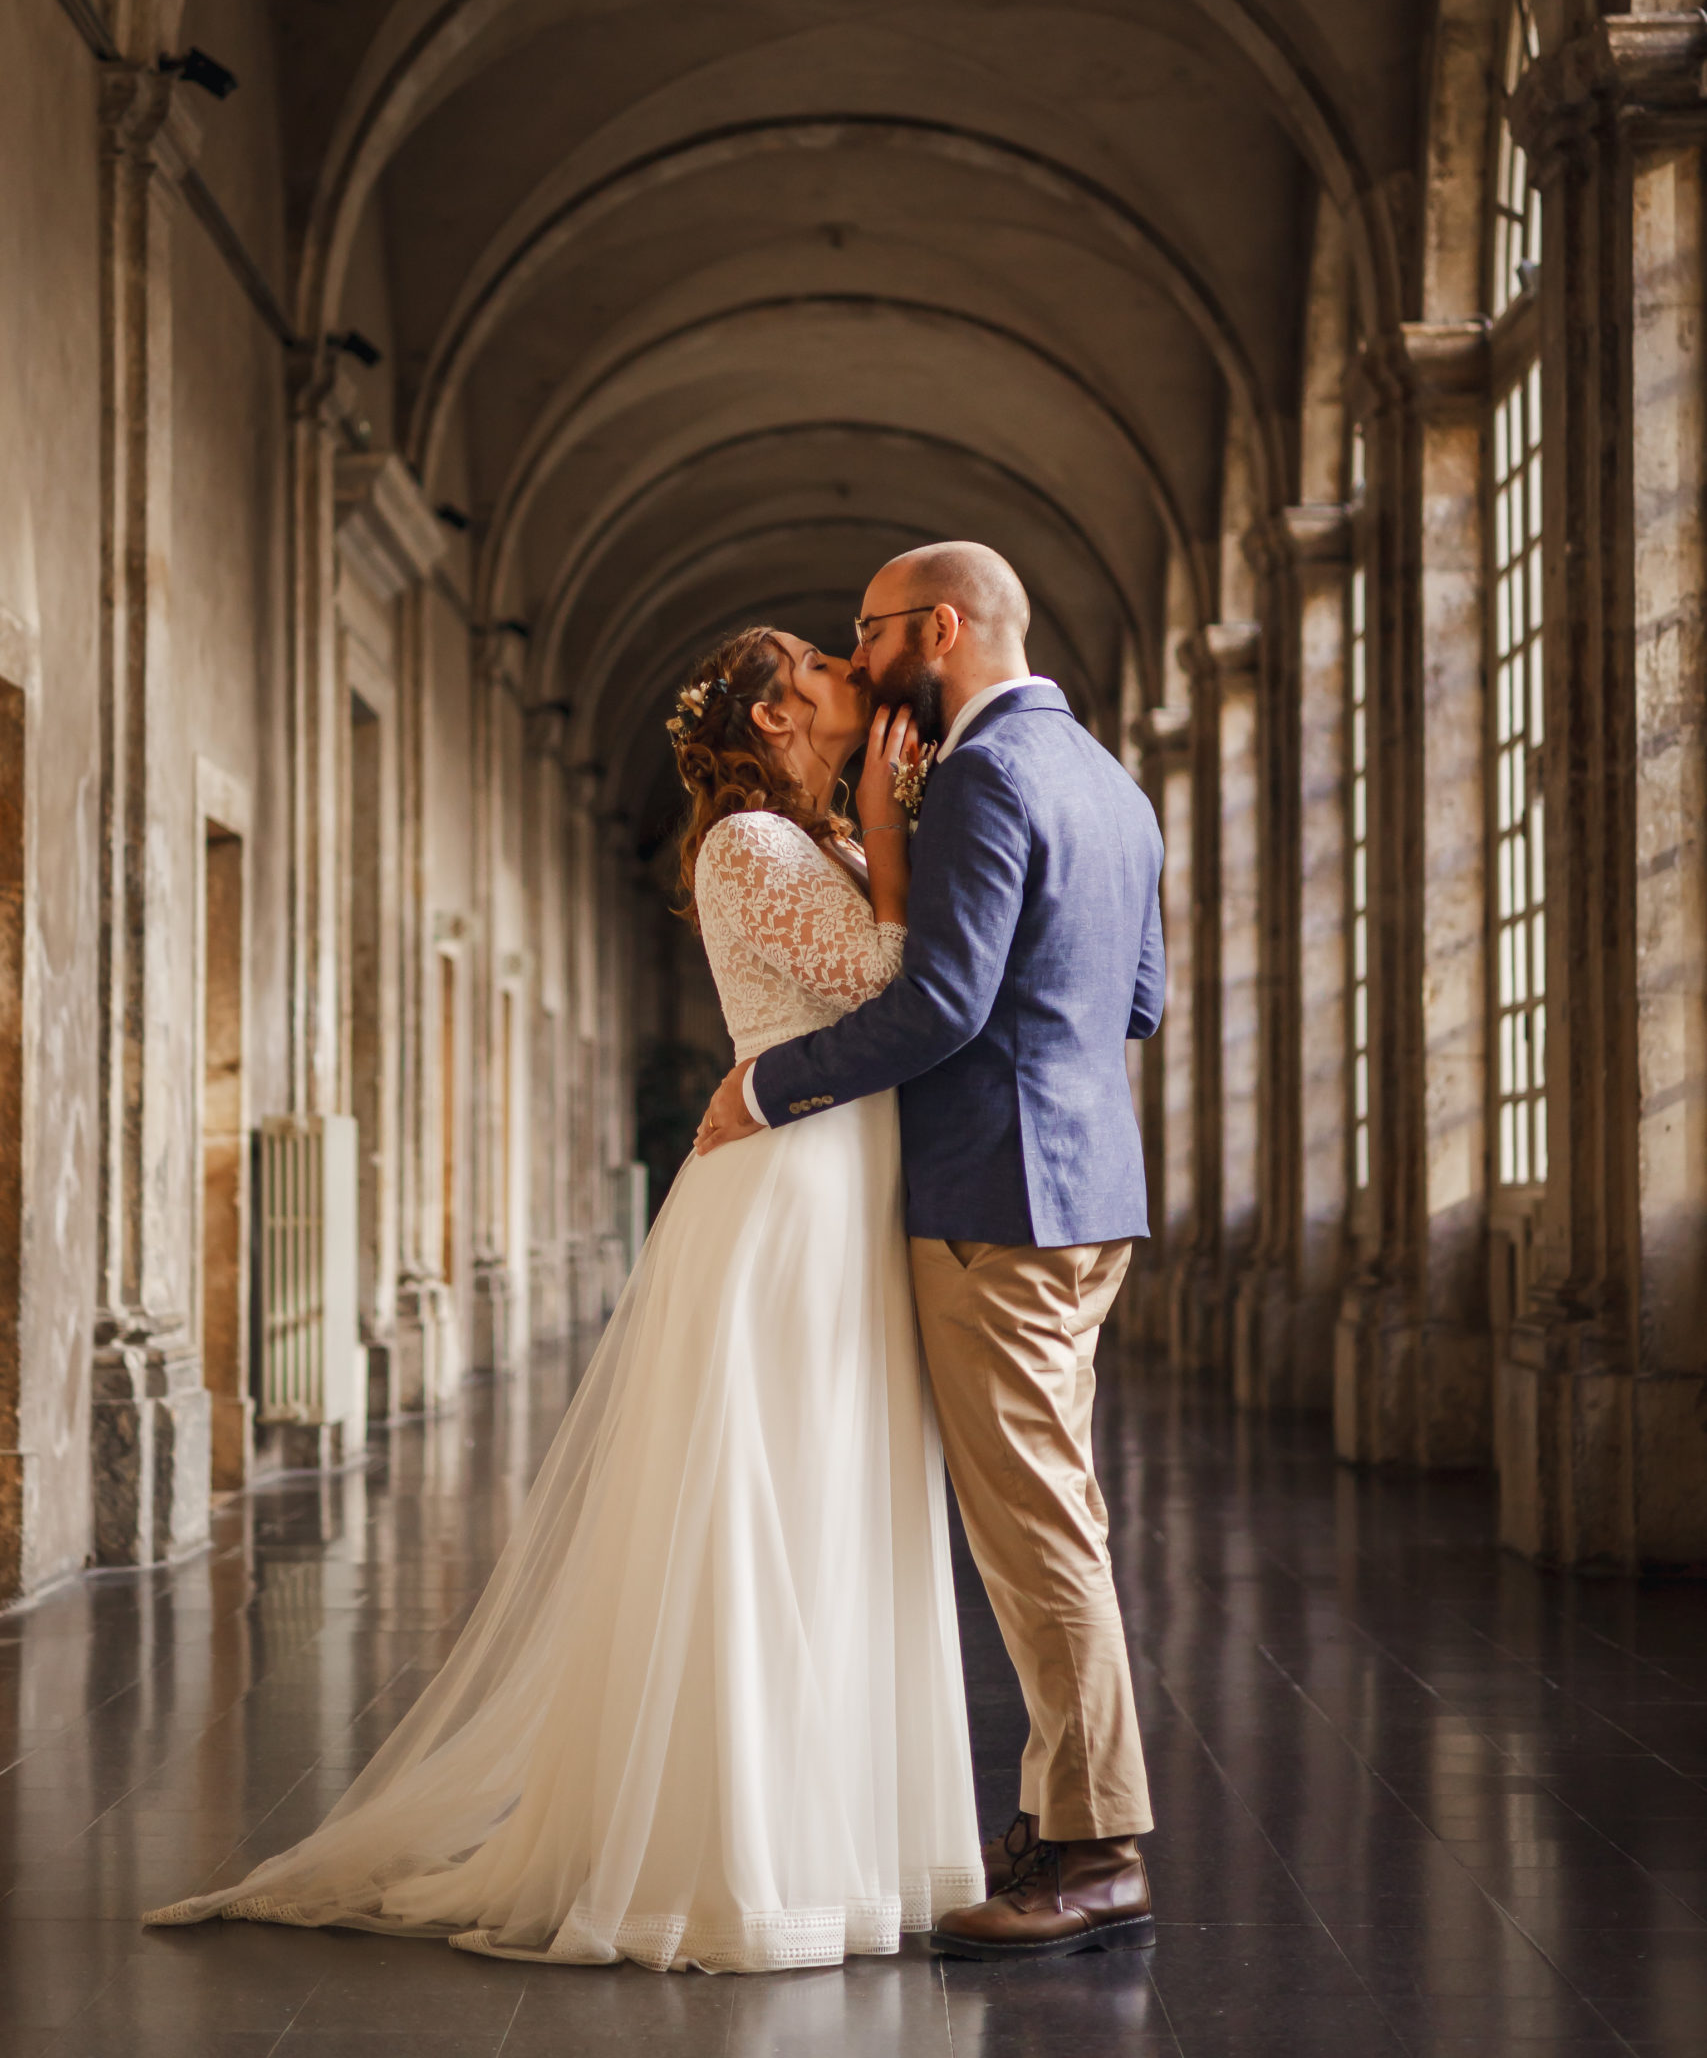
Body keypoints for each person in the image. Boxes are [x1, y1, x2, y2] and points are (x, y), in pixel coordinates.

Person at [144, 624, 983, 1972]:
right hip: (780, 1204)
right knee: (763, 1511)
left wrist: (884, 822)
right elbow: (892, 987)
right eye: (824, 666)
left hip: (843, 1196)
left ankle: (847, 1840)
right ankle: (740, 1862)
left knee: (841, 1497)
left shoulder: (823, 843)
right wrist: (888, 818)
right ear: (774, 719)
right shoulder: (750, 847)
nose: (851, 672)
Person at [697, 540, 1164, 1961]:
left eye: (871, 630)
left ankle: (1096, 1847)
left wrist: (765, 1087)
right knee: (1054, 1508)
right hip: (1092, 1196)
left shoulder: (978, 777)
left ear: (939, 630)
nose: (858, 655)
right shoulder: (1109, 779)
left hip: (994, 1200)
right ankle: (1056, 1809)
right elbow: (1135, 1000)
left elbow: (944, 1002)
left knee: (1038, 1532)